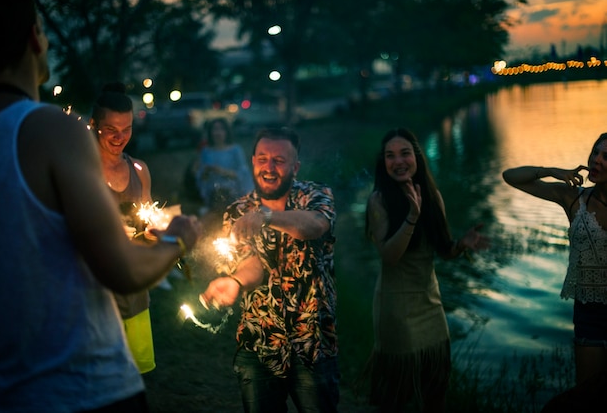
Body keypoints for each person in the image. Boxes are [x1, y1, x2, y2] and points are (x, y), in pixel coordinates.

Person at [0, 0, 201, 412]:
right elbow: (120, 269)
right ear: (35, 38)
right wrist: (179, 240)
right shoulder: (50, 129)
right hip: (78, 382)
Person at [200, 128, 340, 413]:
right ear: (252, 162)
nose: (269, 167)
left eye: (279, 160)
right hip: (258, 343)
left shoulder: (316, 195)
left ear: (295, 167)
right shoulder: (238, 211)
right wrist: (236, 282)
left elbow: (314, 226)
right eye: (263, 158)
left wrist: (267, 216)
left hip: (312, 343)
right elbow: (253, 265)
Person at [362, 128, 488, 413]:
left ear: (417, 157)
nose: (398, 161)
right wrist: (411, 216)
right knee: (398, 396)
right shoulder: (378, 201)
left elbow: (444, 250)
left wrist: (462, 244)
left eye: (405, 153)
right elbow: (389, 256)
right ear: (383, 163)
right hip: (395, 308)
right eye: (390, 156)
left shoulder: (433, 197)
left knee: (436, 391)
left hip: (431, 305)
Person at [502, 133, 607, 411]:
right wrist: (551, 171)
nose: (596, 160)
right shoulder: (574, 199)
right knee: (587, 398)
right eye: (595, 152)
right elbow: (510, 176)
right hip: (589, 313)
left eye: (606, 156)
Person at [90, 82, 159, 374]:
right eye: (111, 129)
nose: (120, 138)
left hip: (134, 293)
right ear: (94, 125)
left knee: (135, 381)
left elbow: (149, 225)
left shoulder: (139, 171)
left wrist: (153, 236)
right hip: (94, 295)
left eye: (127, 129)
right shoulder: (80, 170)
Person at [194, 117, 254, 218]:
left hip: (233, 192)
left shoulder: (235, 150)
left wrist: (221, 171)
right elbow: (201, 178)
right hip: (213, 193)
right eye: (215, 129)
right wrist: (206, 172)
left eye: (221, 129)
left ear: (226, 131)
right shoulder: (206, 151)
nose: (218, 133)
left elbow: (243, 174)